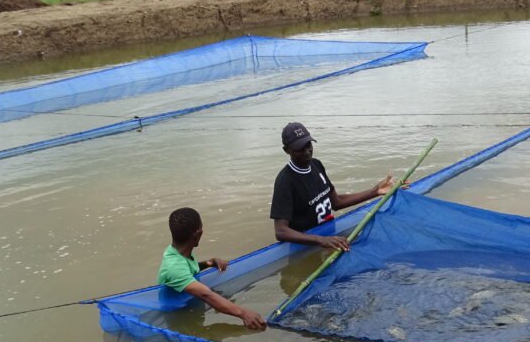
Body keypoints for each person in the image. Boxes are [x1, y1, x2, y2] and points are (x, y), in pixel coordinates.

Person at [270, 121, 394, 252]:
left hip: (329, 239)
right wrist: (320, 240)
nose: (307, 152)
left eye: (309, 145)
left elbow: (336, 202)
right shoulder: (285, 181)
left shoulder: (316, 165)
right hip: (306, 246)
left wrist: (375, 191)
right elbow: (281, 231)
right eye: (300, 149)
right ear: (286, 150)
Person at [158, 207, 267, 331]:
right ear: (198, 234)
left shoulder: (179, 253)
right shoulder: (173, 267)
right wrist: (243, 313)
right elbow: (206, 295)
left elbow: (187, 269)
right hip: (178, 318)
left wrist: (209, 263)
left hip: (191, 305)